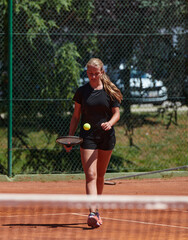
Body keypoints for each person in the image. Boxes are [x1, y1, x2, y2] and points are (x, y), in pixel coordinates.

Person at [65, 58, 123, 228]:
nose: (92, 76)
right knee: (90, 175)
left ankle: (97, 210)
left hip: (106, 137)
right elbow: (76, 116)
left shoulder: (110, 91)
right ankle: (93, 212)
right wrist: (70, 137)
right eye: (89, 73)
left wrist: (110, 123)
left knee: (100, 176)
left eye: (95, 74)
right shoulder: (82, 92)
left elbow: (117, 114)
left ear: (102, 72)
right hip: (88, 138)